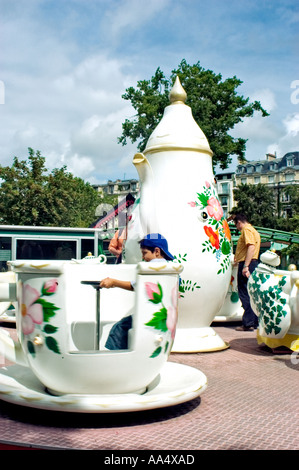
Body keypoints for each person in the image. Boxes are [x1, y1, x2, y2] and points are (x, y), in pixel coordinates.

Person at [100, 233, 174, 349]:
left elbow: (135, 286)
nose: (143, 257)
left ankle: (115, 356)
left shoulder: (151, 268)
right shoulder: (170, 268)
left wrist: (114, 282)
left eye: (145, 253)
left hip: (147, 314)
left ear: (157, 251)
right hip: (166, 315)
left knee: (119, 328)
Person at [233, 213, 261, 331]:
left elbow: (251, 247)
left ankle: (248, 322)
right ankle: (254, 322)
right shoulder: (254, 230)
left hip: (247, 264)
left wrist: (245, 266)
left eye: (236, 225)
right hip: (252, 263)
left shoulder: (246, 230)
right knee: (252, 293)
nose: (237, 228)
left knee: (244, 293)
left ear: (239, 222)